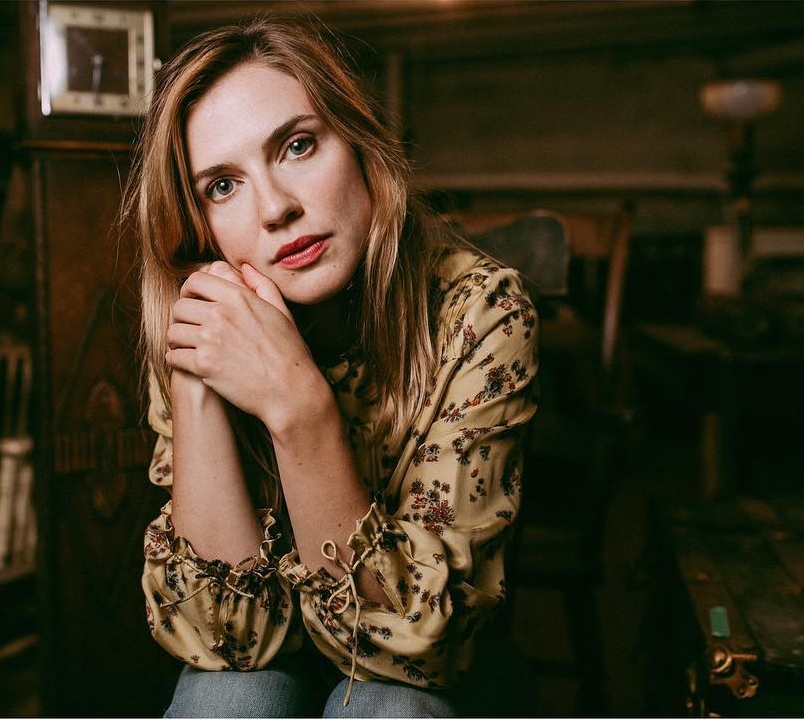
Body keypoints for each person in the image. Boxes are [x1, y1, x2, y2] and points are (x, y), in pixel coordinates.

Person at [127, 15, 539, 718]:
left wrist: (300, 409)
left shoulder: (479, 310)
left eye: (297, 146)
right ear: (197, 228)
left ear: (359, 145)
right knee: (227, 698)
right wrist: (195, 382)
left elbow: (412, 650)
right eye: (222, 186)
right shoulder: (209, 323)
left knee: (390, 709)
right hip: (270, 662)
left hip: (415, 669)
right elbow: (225, 640)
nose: (276, 208)